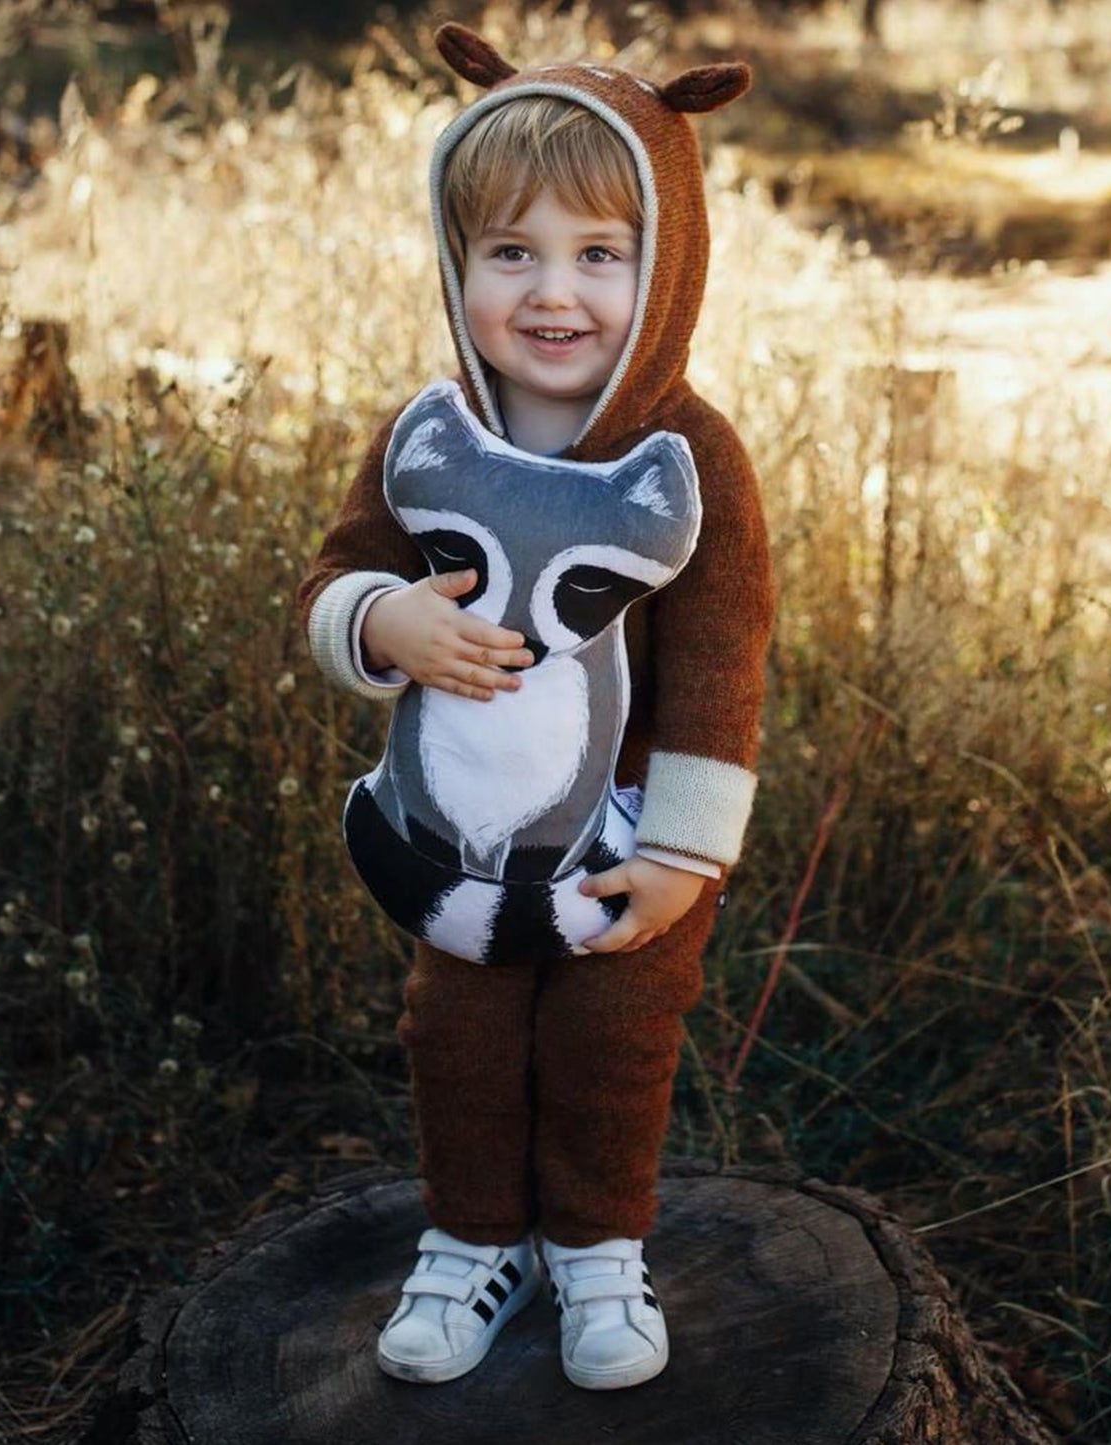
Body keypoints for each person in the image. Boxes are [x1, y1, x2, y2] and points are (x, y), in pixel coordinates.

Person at [294, 22, 774, 1391]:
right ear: (459, 266)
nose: (552, 293)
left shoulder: (686, 455)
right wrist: (382, 621)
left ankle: (595, 1247)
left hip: (623, 831)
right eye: (511, 252)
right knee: (459, 1024)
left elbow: (721, 657)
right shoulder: (434, 430)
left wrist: (684, 848)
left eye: (598, 254)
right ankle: (470, 1239)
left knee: (612, 1029)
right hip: (456, 833)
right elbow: (343, 568)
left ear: (663, 260)